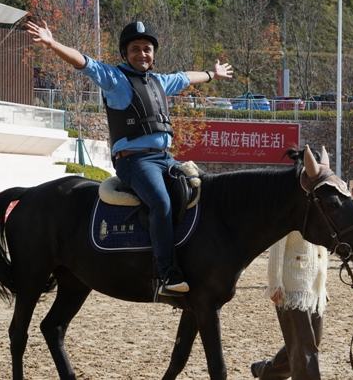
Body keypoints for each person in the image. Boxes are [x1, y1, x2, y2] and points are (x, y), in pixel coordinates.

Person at [25, 19, 233, 295]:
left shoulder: (160, 81)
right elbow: (83, 62)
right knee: (160, 202)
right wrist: (52, 44)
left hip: (165, 159)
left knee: (201, 189)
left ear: (153, 54)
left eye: (147, 48)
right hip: (134, 162)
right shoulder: (114, 79)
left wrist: (212, 73)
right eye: (135, 49)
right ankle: (166, 274)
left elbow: (185, 76)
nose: (142, 53)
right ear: (125, 54)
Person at [251, 231, 328, 380]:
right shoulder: (289, 208)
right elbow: (276, 246)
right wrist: (275, 284)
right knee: (304, 346)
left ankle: (266, 372)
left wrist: (322, 286)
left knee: (309, 341)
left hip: (314, 289)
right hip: (292, 286)